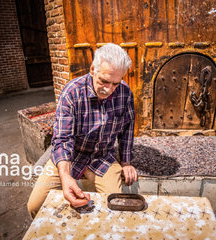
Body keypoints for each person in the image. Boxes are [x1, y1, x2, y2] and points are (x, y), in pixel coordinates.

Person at [27, 43, 138, 218]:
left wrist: (126, 162)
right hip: (72, 156)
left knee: (116, 210)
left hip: (103, 157)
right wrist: (64, 175)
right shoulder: (71, 93)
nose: (109, 90)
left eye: (115, 83)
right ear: (93, 69)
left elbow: (127, 130)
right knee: (34, 206)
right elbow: (62, 139)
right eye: (104, 81)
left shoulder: (125, 93)